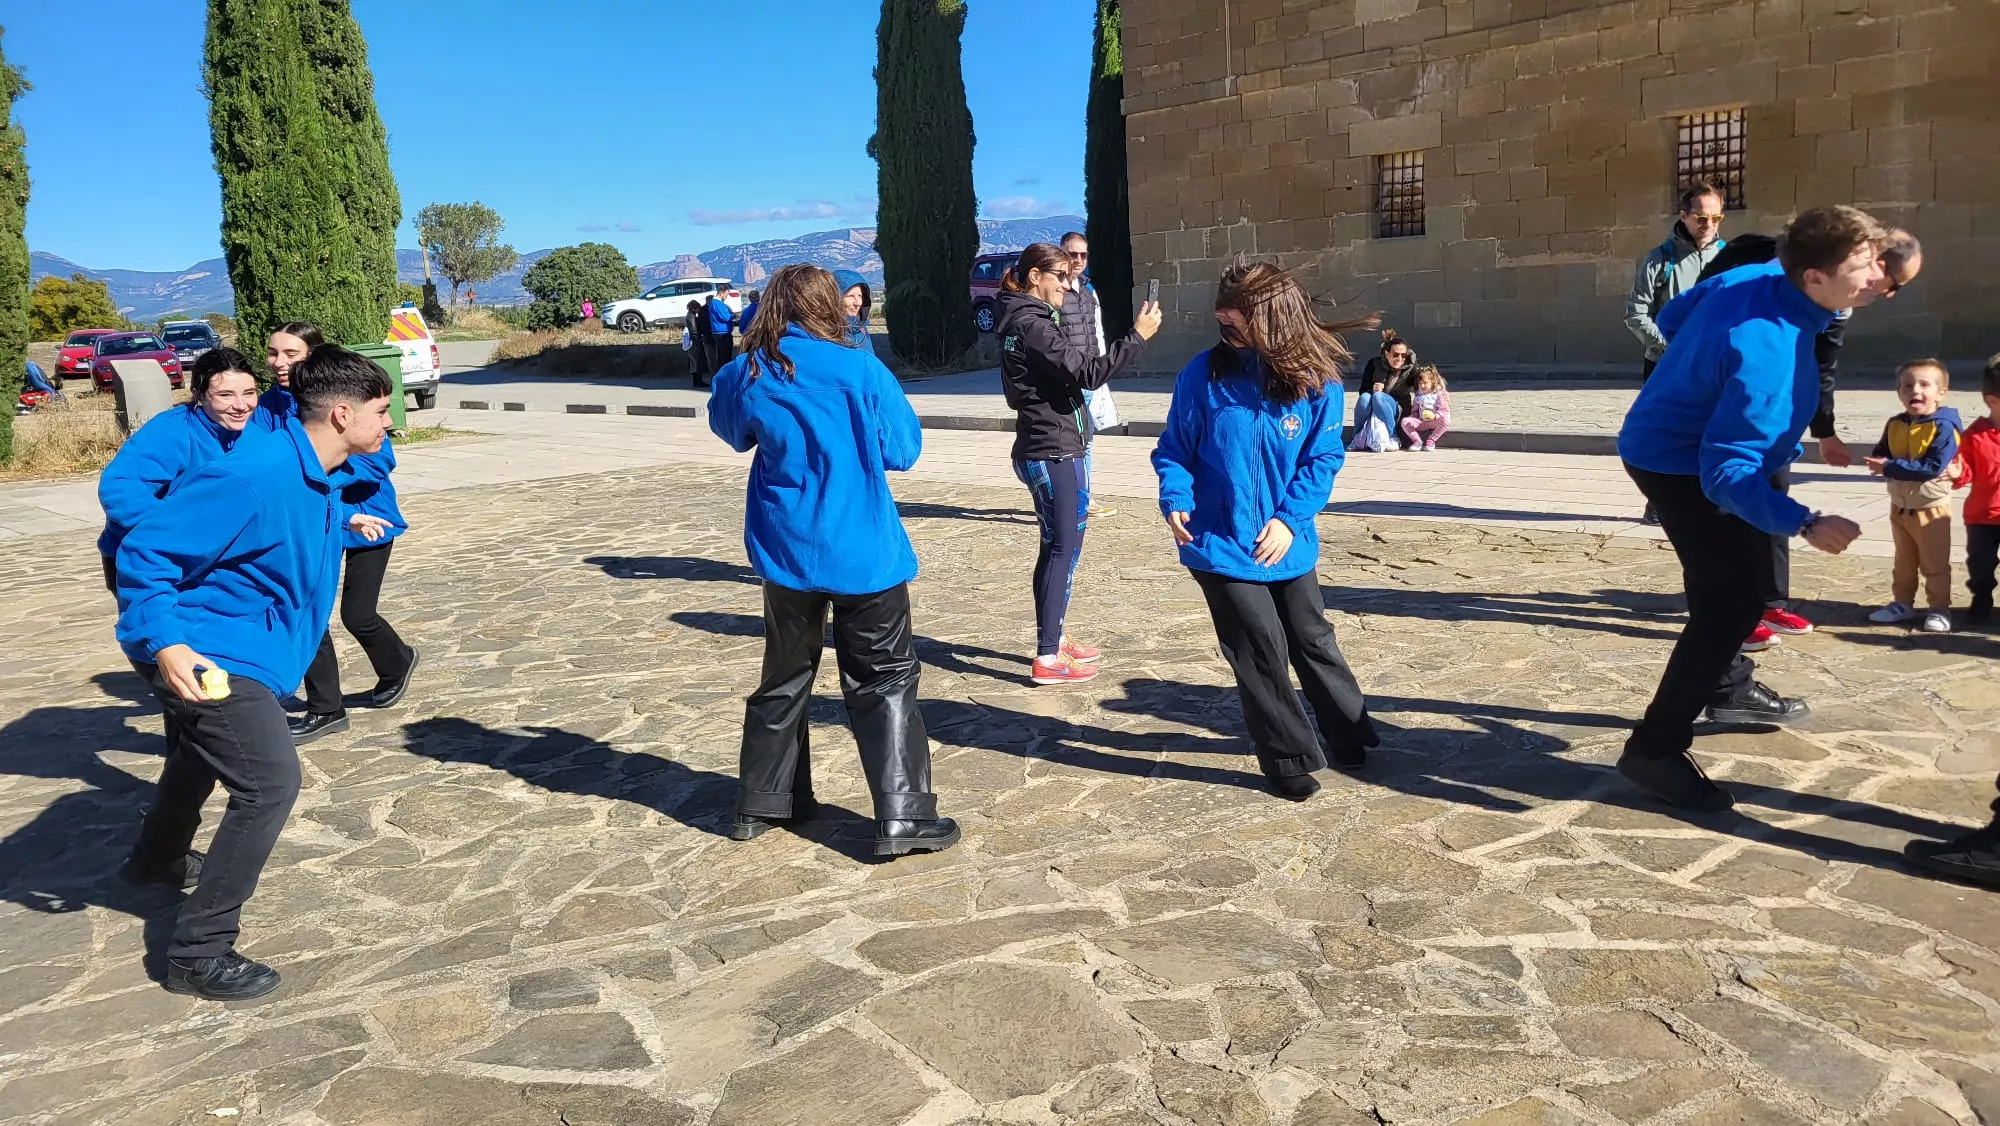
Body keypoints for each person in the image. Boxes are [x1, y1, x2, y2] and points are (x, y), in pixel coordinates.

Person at [114, 345, 393, 999]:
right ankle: (198, 954)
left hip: (245, 648)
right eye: (382, 412)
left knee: (203, 752)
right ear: (344, 414)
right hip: (204, 652)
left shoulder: (314, 473)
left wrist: (343, 519)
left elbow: (276, 530)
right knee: (269, 781)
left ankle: (156, 859)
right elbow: (147, 548)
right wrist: (166, 643)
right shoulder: (258, 472)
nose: (390, 425)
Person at [1614, 206, 1882, 812]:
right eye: (1862, 266)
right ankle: (1655, 750)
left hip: (1669, 442)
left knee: (1728, 595)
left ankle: (1721, 691)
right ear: (1814, 276)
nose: (1875, 277)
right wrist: (1806, 523)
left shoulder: (1759, 274)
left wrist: (1700, 373)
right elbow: (1725, 473)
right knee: (1731, 604)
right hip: (1680, 464)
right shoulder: (1769, 359)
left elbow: (1676, 315)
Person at [707, 264, 958, 858]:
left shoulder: (749, 371)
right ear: (829, 306)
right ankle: (904, 816)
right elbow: (903, 451)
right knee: (886, 678)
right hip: (864, 551)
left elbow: (729, 428)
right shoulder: (861, 368)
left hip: (787, 549)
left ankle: (764, 802)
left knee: (786, 673)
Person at [1152, 261, 1381, 800]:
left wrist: (1289, 518)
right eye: (1220, 322)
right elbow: (1174, 450)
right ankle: (1286, 758)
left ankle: (1348, 731)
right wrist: (1176, 496)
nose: (1224, 333)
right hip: (1218, 542)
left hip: (1286, 540)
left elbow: (1323, 457)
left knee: (1311, 637)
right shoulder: (1200, 376)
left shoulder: (1317, 379)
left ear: (1274, 319)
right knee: (1259, 645)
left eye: (1236, 324)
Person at [1691, 228, 1924, 651]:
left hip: (1774, 420)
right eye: (1896, 285)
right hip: (1719, 410)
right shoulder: (1764, 266)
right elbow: (1688, 315)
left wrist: (1825, 431)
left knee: (1775, 499)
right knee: (1718, 519)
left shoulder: (1842, 302)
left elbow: (1823, 365)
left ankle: (1767, 603)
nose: (1890, 295)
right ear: (1871, 263)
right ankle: (1728, 624)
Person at [995, 242, 1162, 685]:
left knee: (1055, 548)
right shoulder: (1032, 325)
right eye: (1061, 278)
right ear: (1035, 277)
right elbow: (1087, 373)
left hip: (1049, 443)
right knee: (1062, 550)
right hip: (1053, 450)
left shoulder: (1023, 319)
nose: (1069, 288)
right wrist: (1138, 337)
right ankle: (1047, 658)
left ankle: (1052, 637)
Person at [293, 423, 421, 742]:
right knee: (309, 611)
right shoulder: (269, 408)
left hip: (372, 522)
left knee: (358, 614)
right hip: (317, 525)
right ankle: (326, 708)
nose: (280, 367)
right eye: (274, 365)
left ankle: (397, 662)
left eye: (290, 365)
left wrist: (317, 471)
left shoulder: (346, 396)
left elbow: (378, 460)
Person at [97, 347, 263, 593]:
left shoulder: (254, 435)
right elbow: (120, 486)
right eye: (225, 395)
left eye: (249, 393)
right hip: (153, 562)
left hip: (211, 562)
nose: (241, 405)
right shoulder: (172, 432)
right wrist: (179, 533)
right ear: (198, 394)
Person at [1626, 181, 1730, 522]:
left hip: (1712, 364)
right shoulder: (1661, 260)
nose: (1709, 225)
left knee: (1713, 430)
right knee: (1663, 434)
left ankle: (1709, 499)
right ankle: (1658, 502)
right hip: (1665, 363)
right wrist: (1668, 347)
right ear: (1684, 216)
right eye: (1701, 218)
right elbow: (1636, 313)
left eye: (1716, 218)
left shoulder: (1729, 259)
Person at [1865, 359, 1961, 634]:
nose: (1914, 391)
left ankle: (1939, 608)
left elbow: (1933, 467)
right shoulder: (1895, 423)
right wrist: (1879, 461)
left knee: (1934, 563)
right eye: (1907, 385)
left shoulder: (1943, 427)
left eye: (1924, 385)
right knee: (1903, 562)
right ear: (1899, 392)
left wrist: (1890, 467)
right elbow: (1882, 451)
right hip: (1900, 506)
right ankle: (1902, 602)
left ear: (1941, 393)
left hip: (1931, 508)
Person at [1059, 232, 1120, 518]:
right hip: (1066, 379)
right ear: (1062, 254)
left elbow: (1097, 333)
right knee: (1066, 443)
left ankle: (1084, 498)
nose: (1079, 260)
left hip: (1090, 377)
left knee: (1087, 441)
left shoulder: (1087, 290)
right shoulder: (1056, 290)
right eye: (1073, 254)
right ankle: (1066, 499)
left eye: (1084, 255)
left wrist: (1102, 371)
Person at [1955, 355, 2000, 623]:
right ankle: (1981, 597)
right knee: (1981, 565)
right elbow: (1965, 471)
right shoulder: (1975, 434)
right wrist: (1957, 472)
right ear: (1992, 401)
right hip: (1982, 516)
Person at [1351, 330, 1416, 451]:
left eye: (1403, 355)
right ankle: (1357, 437)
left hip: (1398, 408)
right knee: (1365, 397)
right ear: (1387, 354)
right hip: (1374, 407)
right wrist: (1372, 389)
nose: (1400, 358)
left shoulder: (1411, 368)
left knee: (1378, 397)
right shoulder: (1374, 364)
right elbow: (1363, 389)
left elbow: (1422, 386)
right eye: (1395, 355)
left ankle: (1393, 436)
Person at [257, 321, 323, 425]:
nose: (278, 363)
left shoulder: (338, 398)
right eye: (273, 353)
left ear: (313, 356)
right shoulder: (264, 405)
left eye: (291, 354)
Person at [1399, 366, 1451, 451]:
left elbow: (1444, 410)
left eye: (1425, 383)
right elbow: (1415, 410)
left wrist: (1435, 416)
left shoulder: (1439, 394)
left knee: (1446, 420)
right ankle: (1417, 441)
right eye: (1420, 383)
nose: (1422, 386)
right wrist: (1413, 416)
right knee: (1405, 421)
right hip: (1422, 421)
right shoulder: (1419, 396)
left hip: (1435, 421)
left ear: (1433, 382)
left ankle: (1431, 440)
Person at [832, 270, 873, 352]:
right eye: (851, 296)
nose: (858, 303)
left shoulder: (861, 329)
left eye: (860, 296)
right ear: (835, 298)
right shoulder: (828, 334)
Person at [705, 288, 739, 378]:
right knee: (724, 355)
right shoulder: (717, 303)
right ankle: (725, 375)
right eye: (726, 294)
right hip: (721, 331)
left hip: (722, 331)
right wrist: (733, 315)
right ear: (722, 293)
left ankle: (725, 374)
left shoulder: (717, 303)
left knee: (724, 354)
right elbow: (724, 316)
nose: (726, 296)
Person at [686, 299, 713, 388]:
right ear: (694, 308)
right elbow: (693, 330)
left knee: (694, 362)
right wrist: (699, 338)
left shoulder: (690, 315)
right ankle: (698, 381)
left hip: (693, 342)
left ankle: (697, 381)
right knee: (697, 361)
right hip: (695, 342)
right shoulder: (691, 317)